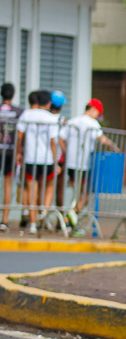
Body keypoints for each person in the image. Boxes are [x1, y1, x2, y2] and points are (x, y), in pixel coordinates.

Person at [60, 99, 119, 221]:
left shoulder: (73, 121)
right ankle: (69, 218)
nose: (98, 116)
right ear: (93, 110)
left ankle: (70, 218)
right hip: (83, 163)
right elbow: (102, 139)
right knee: (85, 194)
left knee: (77, 193)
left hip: (71, 163)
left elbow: (61, 138)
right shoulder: (92, 123)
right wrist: (113, 146)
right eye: (98, 113)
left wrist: (66, 152)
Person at [15, 90, 60, 235]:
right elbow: (53, 142)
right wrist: (55, 161)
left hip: (30, 158)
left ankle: (33, 223)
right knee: (49, 186)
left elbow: (19, 135)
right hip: (46, 159)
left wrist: (19, 152)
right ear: (48, 103)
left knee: (32, 190)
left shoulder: (27, 114)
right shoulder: (51, 118)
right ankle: (44, 210)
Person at [0, 83, 23, 232]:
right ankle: (4, 220)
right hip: (10, 153)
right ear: (13, 95)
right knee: (8, 186)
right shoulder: (19, 112)